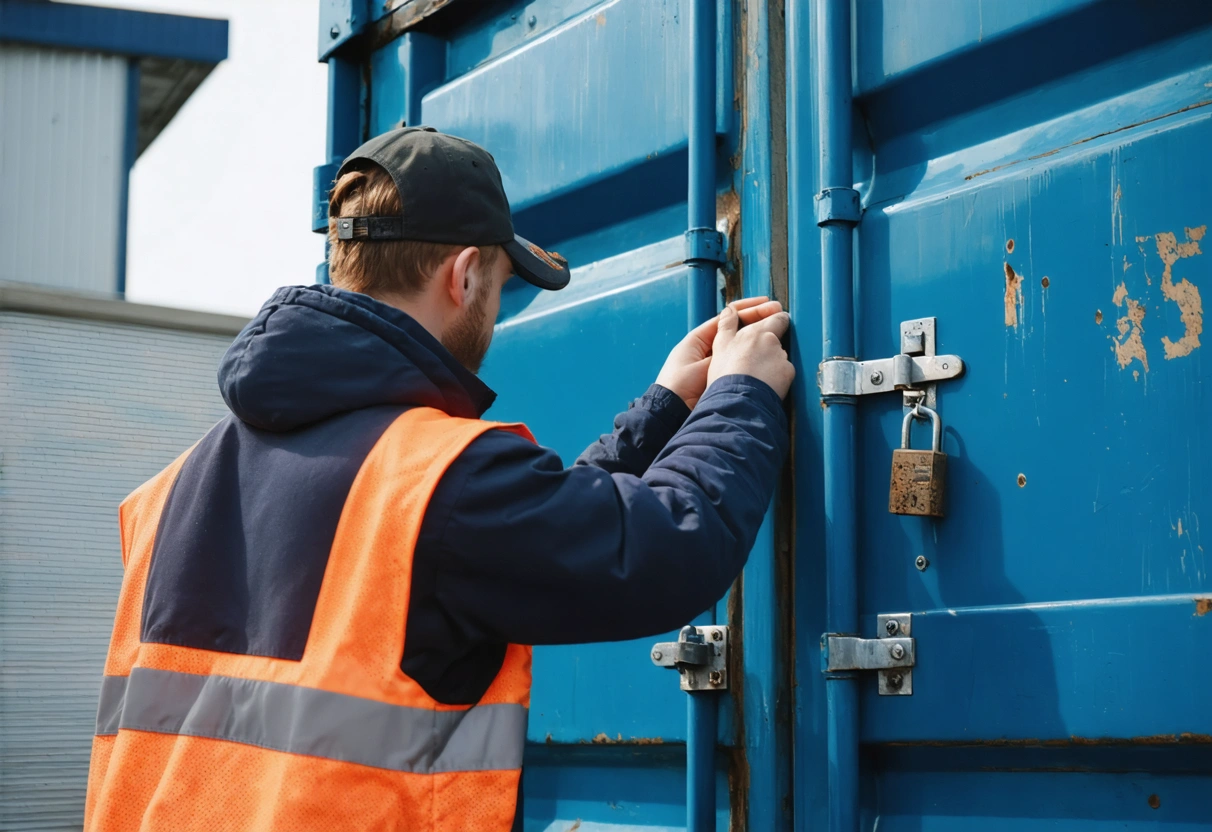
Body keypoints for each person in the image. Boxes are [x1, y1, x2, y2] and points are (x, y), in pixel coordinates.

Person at [84, 127, 794, 831]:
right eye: (499, 286)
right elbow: (664, 547)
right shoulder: (434, 482)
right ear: (462, 276)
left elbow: (498, 542)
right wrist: (743, 395)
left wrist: (667, 407)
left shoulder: (169, 493)